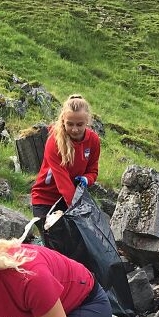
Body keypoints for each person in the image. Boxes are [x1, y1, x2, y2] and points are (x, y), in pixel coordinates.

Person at [30, 95, 100, 237]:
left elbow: (93, 170)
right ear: (63, 120)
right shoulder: (54, 142)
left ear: (87, 121)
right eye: (70, 124)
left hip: (72, 199)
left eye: (79, 124)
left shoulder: (93, 141)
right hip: (46, 199)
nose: (74, 129)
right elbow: (64, 184)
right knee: (56, 244)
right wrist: (79, 212)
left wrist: (87, 179)